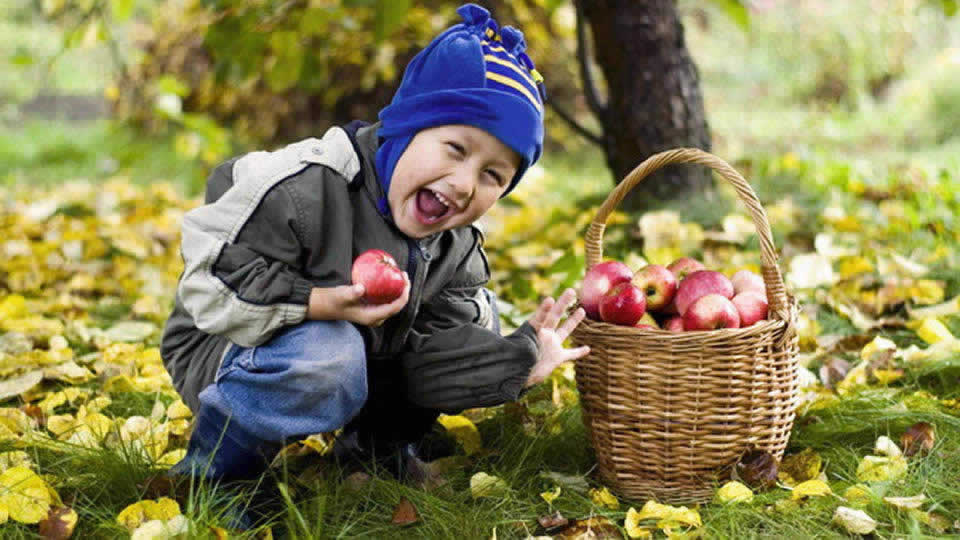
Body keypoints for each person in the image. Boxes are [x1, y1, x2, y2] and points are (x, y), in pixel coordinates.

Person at [160, 3, 590, 486]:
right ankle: (216, 475)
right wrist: (319, 302)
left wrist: (517, 359)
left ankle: (371, 457)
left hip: (343, 355)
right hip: (224, 340)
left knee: (446, 326)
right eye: (456, 149)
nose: (466, 183)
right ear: (406, 127)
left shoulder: (456, 245)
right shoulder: (308, 186)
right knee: (333, 349)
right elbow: (211, 281)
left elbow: (435, 362)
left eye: (493, 175)